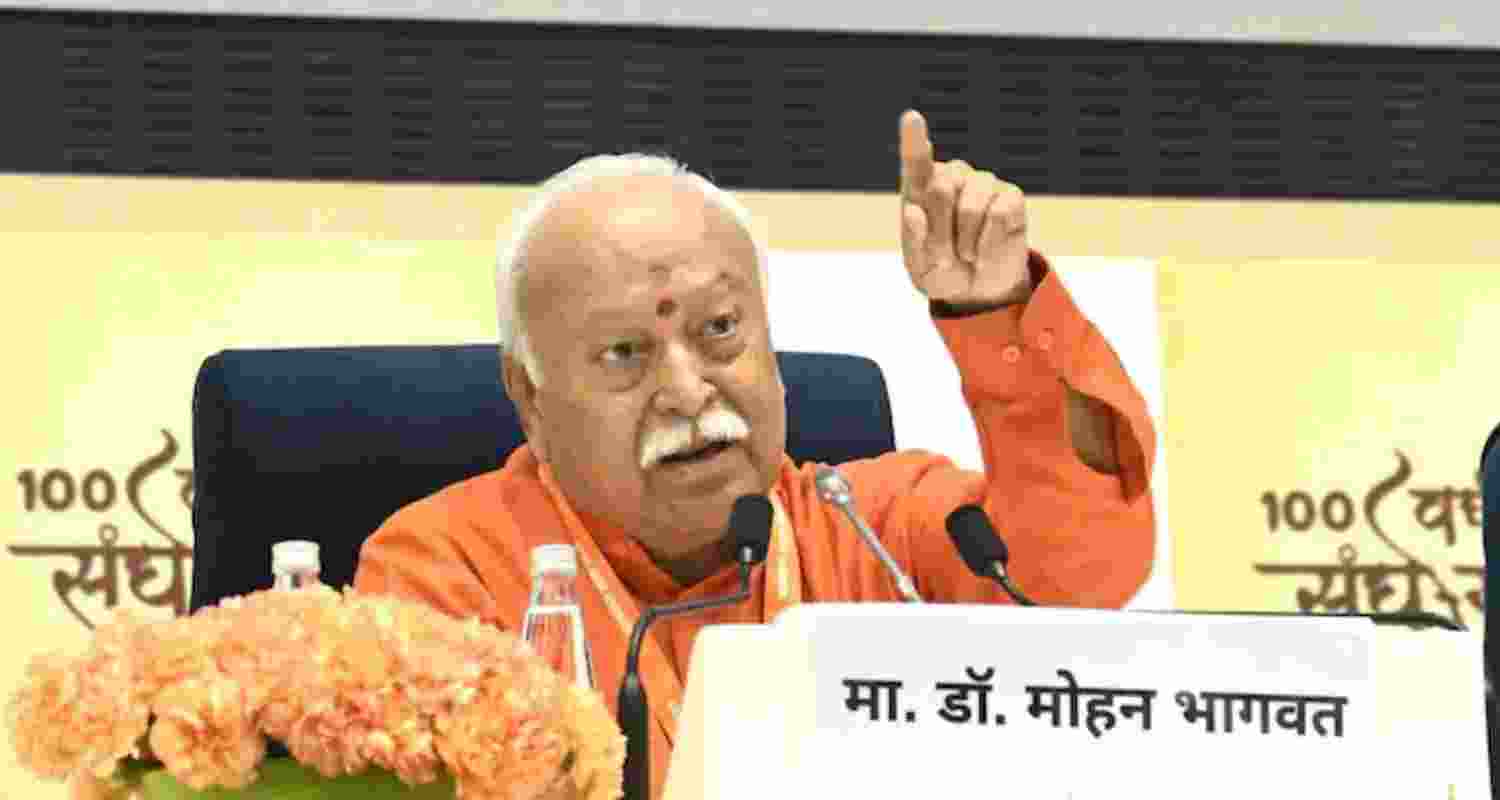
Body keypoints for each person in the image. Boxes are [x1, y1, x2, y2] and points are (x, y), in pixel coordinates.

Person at [353, 110, 1158, 798]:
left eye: (719, 331)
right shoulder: (445, 574)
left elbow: (1074, 582)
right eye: (625, 352)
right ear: (530, 398)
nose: (687, 390)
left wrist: (993, 310)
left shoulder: (876, 533)